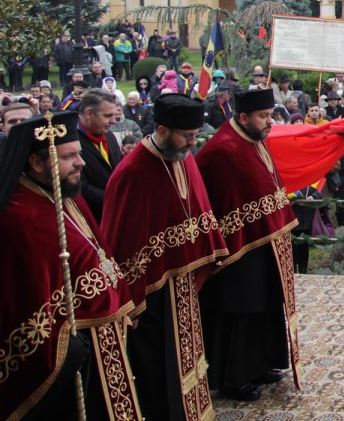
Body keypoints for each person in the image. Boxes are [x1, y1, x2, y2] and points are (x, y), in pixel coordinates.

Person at [0, 112, 142, 420]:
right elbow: (29, 297)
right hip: (69, 350)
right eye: (69, 156)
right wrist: (66, 346)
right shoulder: (19, 216)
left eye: (79, 153)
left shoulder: (65, 194)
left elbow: (97, 250)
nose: (80, 162)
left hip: (101, 335)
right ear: (37, 163)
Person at [100, 93, 228, 420]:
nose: (192, 142)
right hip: (150, 291)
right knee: (156, 362)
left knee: (185, 355)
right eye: (187, 136)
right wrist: (128, 297)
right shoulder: (133, 172)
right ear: (161, 129)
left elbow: (196, 207)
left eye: (195, 135)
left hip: (182, 282)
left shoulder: (181, 155)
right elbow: (120, 241)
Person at [196, 87, 300, 400]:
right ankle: (234, 377)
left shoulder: (253, 139)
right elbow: (223, 202)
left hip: (263, 242)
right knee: (242, 310)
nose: (270, 122)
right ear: (243, 117)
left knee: (266, 305)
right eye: (263, 117)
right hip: (237, 251)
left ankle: (262, 363)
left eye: (270, 115)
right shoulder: (223, 149)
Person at [76, 88, 124, 221]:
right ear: (88, 113)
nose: (113, 121)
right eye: (108, 116)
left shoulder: (109, 136)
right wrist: (115, 200)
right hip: (91, 218)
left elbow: (120, 168)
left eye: (115, 115)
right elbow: (79, 186)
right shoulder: (71, 142)